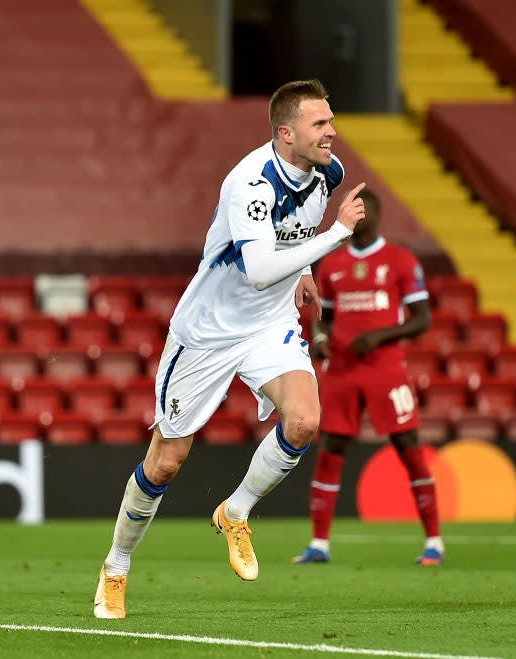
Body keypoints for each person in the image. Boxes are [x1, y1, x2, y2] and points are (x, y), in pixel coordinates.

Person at [93, 79, 367, 619]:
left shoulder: (325, 174)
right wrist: (336, 237)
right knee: (168, 461)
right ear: (286, 133)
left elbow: (295, 233)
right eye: (321, 124)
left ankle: (235, 511)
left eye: (331, 121)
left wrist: (307, 267)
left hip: (269, 324)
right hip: (209, 333)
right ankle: (116, 566)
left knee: (305, 420)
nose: (332, 133)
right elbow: (262, 269)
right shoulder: (249, 184)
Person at [292, 188, 444, 566]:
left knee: (408, 446)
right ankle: (319, 545)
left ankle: (434, 542)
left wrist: (379, 335)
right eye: (356, 210)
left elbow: (422, 319)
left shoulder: (401, 261)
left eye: (367, 209)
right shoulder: (332, 265)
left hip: (386, 369)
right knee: (331, 449)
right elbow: (321, 319)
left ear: (378, 215)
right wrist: (322, 340)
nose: (362, 216)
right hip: (342, 370)